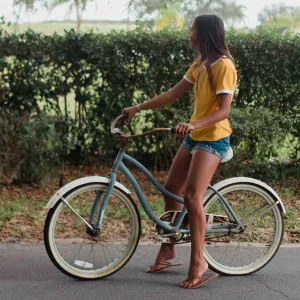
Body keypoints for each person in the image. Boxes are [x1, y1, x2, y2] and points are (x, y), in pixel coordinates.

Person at [122, 14, 237, 289]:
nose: (189, 33)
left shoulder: (224, 66)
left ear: (204, 34)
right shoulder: (200, 63)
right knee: (171, 188)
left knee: (191, 196)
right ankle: (169, 248)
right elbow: (172, 95)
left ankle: (199, 263)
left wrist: (193, 123)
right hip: (196, 136)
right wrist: (137, 108)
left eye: (192, 29)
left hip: (214, 139)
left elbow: (224, 111)